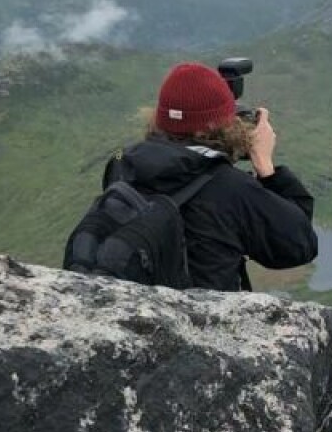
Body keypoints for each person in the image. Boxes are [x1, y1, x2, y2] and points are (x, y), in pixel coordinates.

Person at [102, 62, 318, 292]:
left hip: (137, 304)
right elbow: (299, 244)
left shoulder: (121, 164)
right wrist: (265, 165)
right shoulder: (231, 189)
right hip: (203, 319)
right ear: (225, 126)